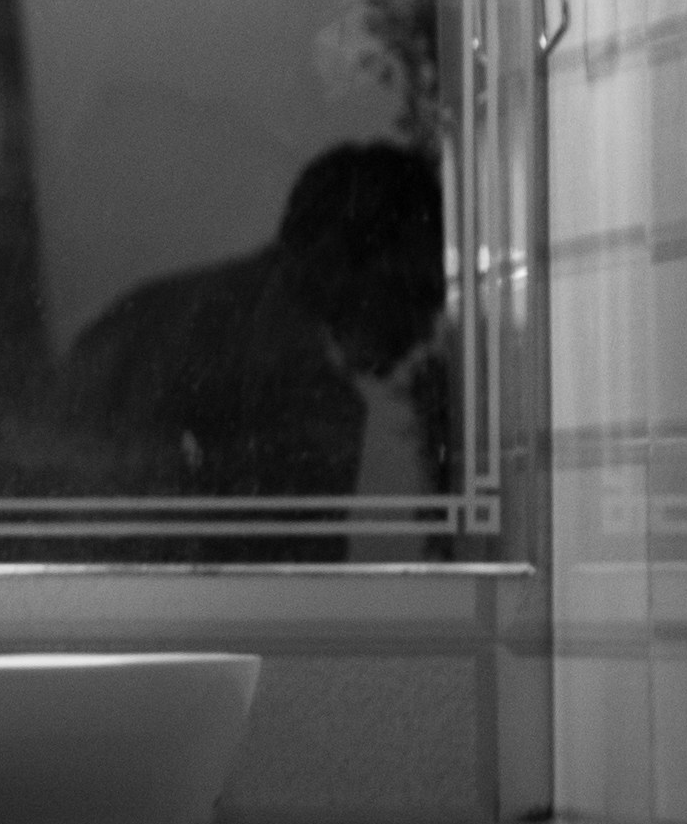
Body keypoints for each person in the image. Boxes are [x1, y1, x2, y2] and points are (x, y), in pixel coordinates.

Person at [53, 140, 453, 541]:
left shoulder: (158, 315)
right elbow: (281, 590)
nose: (425, 330)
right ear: (343, 262)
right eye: (416, 292)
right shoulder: (304, 397)